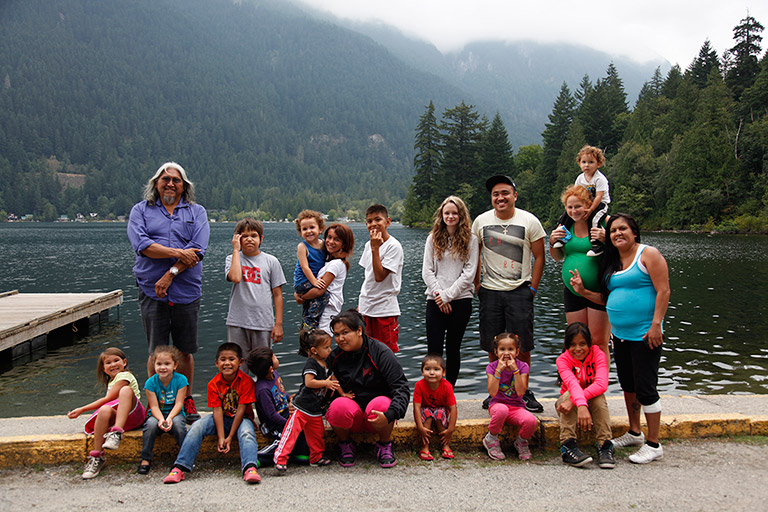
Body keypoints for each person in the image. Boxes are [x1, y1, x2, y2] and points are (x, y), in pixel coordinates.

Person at [571, 213, 670, 464]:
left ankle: (654, 444)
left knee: (646, 388)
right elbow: (607, 299)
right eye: (613, 230)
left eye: (622, 229)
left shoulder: (648, 254)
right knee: (629, 385)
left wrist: (656, 324)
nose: (617, 234)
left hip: (645, 334)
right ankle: (635, 432)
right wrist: (583, 292)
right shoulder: (613, 261)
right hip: (620, 336)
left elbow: (663, 290)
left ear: (634, 232)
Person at [127, 161, 209, 423]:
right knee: (156, 351)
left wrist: (170, 273)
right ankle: (155, 403)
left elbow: (197, 251)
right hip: (151, 291)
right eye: (165, 179)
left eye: (176, 180)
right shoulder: (141, 211)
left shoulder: (197, 212)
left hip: (186, 291)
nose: (170, 183)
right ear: (156, 184)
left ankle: (186, 400)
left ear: (184, 186)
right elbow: (142, 244)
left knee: (185, 350)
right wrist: (177, 252)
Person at [472, 175, 546, 413]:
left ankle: (523, 391)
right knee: (492, 345)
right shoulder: (481, 221)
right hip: (490, 292)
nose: (500, 198)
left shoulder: (529, 221)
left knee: (522, 345)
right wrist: (477, 286)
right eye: (495, 194)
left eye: (505, 193)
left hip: (519, 291)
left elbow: (540, 257)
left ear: (515, 195)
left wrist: (532, 288)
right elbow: (475, 255)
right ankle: (496, 391)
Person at [162, 343, 261, 484]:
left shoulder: (246, 382)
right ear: (216, 363)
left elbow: (241, 410)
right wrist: (221, 437)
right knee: (196, 427)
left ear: (240, 362)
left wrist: (230, 436)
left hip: (241, 418)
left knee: (247, 434)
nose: (227, 363)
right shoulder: (213, 384)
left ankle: (250, 467)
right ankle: (179, 467)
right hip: (220, 418)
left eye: (231, 359)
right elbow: (217, 410)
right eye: (223, 359)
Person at [326, 310, 410, 468]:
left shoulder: (380, 352)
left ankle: (384, 444)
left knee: (382, 404)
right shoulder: (334, 357)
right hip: (351, 416)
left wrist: (391, 414)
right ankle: (345, 444)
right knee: (338, 406)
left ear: (359, 330)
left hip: (379, 416)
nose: (340, 339)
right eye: (336, 335)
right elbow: (318, 384)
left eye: (345, 332)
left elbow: (401, 387)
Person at [421, 196, 479, 386]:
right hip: (435, 301)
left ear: (461, 215)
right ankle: (433, 390)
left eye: (455, 213)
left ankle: (449, 390)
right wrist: (440, 296)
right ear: (441, 215)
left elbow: (469, 273)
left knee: (453, 348)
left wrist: (448, 296)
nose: (451, 216)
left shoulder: (471, 239)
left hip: (461, 301)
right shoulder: (433, 238)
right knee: (434, 350)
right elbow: (427, 271)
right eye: (447, 213)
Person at [549, 185, 610, 359]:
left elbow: (623, 249)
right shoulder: (566, 227)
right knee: (577, 341)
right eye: (570, 207)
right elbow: (557, 257)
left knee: (598, 342)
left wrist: (606, 240)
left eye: (578, 206)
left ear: (588, 204)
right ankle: (579, 383)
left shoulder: (604, 223)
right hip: (573, 291)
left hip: (597, 291)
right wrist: (552, 242)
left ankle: (600, 385)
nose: (574, 211)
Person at [67, 348, 145, 479]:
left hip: (135, 415)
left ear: (124, 362)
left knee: (125, 390)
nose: (113, 364)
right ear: (104, 369)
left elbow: (108, 399)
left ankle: (116, 433)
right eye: (108, 362)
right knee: (104, 410)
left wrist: (82, 409)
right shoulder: (111, 382)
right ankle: (97, 456)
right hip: (124, 418)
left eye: (116, 360)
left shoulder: (125, 376)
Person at [273, 330, 338, 471]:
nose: (329, 350)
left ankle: (316, 457)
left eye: (329, 347)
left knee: (317, 435)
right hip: (302, 407)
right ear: (314, 350)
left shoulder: (327, 363)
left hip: (315, 409)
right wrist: (325, 384)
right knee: (291, 432)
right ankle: (280, 458)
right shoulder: (311, 363)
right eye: (326, 347)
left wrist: (342, 393)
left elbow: (334, 381)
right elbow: (309, 382)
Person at [555, 322, 614, 469]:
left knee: (599, 397)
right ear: (567, 345)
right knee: (569, 395)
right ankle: (567, 446)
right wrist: (580, 404)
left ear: (589, 343)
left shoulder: (598, 354)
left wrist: (578, 402)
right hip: (566, 403)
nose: (578, 349)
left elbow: (601, 384)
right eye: (573, 344)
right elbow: (572, 384)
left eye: (582, 344)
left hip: (587, 402)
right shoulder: (562, 360)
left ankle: (605, 445)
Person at [225, 218, 285, 357]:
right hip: (237, 321)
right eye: (244, 236)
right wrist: (235, 250)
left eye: (253, 236)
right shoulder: (232, 258)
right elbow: (235, 277)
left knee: (262, 363)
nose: (249, 239)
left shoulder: (271, 261)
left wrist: (278, 324)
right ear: (237, 238)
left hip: (263, 322)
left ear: (261, 238)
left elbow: (277, 294)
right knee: (239, 364)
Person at [247, 347, 309, 465]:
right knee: (283, 440)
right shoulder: (262, 389)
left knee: (304, 421)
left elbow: (279, 393)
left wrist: (289, 397)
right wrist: (288, 424)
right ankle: (259, 457)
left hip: (284, 413)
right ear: (270, 368)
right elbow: (271, 415)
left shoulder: (274, 374)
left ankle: (300, 453)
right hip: (273, 424)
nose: (276, 357)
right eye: (274, 357)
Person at [482, 333, 538, 461]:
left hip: (516, 407)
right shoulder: (491, 367)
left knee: (531, 420)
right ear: (496, 352)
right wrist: (498, 371)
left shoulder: (523, 367)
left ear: (517, 352)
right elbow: (492, 393)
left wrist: (515, 371)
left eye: (510, 349)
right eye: (502, 349)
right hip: (498, 405)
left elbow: (520, 392)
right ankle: (491, 439)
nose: (506, 353)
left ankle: (521, 441)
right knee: (502, 410)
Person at [358, 204, 404, 353]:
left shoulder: (393, 246)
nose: (373, 224)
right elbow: (369, 277)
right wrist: (362, 304)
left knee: (385, 355)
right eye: (369, 221)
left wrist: (375, 249)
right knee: (365, 353)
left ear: (388, 222)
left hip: (384, 310)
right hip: (367, 308)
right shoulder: (368, 245)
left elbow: (379, 277)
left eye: (378, 219)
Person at [295, 223, 355, 336]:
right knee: (312, 343)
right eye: (329, 237)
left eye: (336, 239)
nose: (330, 242)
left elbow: (320, 290)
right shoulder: (328, 261)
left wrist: (301, 297)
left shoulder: (336, 264)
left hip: (327, 310)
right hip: (318, 308)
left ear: (344, 244)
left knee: (320, 343)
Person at [138, 345, 189, 475]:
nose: (163, 367)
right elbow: (153, 406)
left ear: (175, 365)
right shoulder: (150, 383)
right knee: (150, 425)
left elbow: (179, 403)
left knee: (178, 425)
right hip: (157, 414)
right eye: (159, 364)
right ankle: (145, 459)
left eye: (167, 364)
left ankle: (185, 458)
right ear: (154, 365)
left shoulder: (181, 380)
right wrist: (161, 419)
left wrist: (170, 418)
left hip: (175, 413)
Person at [552, 145, 610, 257]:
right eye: (584, 162)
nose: (587, 165)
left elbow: (598, 197)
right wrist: (574, 207)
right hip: (586, 203)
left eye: (591, 162)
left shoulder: (600, 178)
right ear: (579, 163)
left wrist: (590, 209)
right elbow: (577, 193)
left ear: (598, 164)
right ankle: (562, 237)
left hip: (600, 205)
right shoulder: (580, 178)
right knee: (565, 217)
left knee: (595, 219)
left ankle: (596, 244)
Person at [413, 354, 457, 461]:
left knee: (439, 413)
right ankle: (424, 447)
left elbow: (453, 408)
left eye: (436, 369)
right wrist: (420, 427)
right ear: (422, 372)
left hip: (440, 411)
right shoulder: (419, 385)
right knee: (427, 414)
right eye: (428, 369)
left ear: (444, 372)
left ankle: (445, 445)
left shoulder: (447, 386)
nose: (432, 373)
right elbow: (416, 407)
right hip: (425, 411)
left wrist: (450, 429)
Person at [293, 210, 328, 330]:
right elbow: (304, 267)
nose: (308, 231)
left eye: (312, 227)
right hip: (303, 282)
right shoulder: (302, 247)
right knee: (323, 294)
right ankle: (311, 322)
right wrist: (314, 282)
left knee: (309, 303)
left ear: (320, 229)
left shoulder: (324, 245)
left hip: (312, 281)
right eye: (304, 229)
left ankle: (304, 326)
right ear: (300, 232)